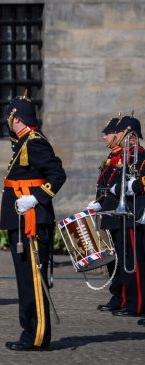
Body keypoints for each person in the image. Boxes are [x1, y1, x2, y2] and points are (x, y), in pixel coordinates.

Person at [0, 94, 66, 351]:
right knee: (25, 280)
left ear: (16, 118)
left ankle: (37, 335)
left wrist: (36, 198)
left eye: (10, 117)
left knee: (34, 281)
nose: (8, 121)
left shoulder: (35, 143)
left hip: (32, 221)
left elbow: (58, 174)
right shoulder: (22, 143)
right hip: (20, 220)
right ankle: (30, 331)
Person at [87, 117, 129, 313]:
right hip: (108, 212)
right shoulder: (112, 157)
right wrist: (98, 203)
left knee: (122, 258)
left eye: (108, 133)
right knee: (113, 259)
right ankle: (117, 295)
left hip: (120, 215)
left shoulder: (126, 156)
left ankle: (124, 296)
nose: (104, 137)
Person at [110, 115, 145, 318]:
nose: (119, 140)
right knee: (130, 263)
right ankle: (133, 302)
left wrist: (133, 186)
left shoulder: (140, 155)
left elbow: (140, 182)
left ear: (132, 137)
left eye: (122, 136)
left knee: (138, 264)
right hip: (129, 214)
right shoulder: (125, 156)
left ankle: (137, 305)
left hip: (137, 212)